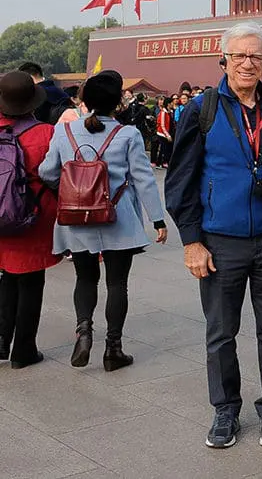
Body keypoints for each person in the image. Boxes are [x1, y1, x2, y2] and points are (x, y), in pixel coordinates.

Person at [165, 22, 262, 449]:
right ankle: (225, 410)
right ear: (223, 59)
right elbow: (180, 180)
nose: (247, 63)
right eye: (239, 55)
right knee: (220, 331)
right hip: (219, 239)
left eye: (256, 56)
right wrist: (191, 240)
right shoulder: (201, 109)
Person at [39, 70, 168, 373]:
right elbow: (143, 179)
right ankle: (113, 349)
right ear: (118, 104)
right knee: (117, 283)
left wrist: (71, 192)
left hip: (75, 219)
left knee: (85, 278)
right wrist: (158, 219)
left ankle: (84, 332)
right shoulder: (127, 134)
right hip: (117, 217)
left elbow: (47, 172)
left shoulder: (64, 132)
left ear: (84, 101)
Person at [0, 71, 61, 369]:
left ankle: (1, 341)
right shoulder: (46, 133)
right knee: (31, 282)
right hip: (34, 216)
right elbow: (55, 174)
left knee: (7, 277)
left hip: (1, 215)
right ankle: (24, 350)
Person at [153, 97, 173, 168]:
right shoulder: (163, 113)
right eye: (171, 103)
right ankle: (162, 162)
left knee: (164, 149)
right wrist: (168, 135)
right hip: (162, 134)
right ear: (168, 104)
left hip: (166, 133)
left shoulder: (170, 112)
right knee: (164, 149)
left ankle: (161, 162)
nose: (172, 104)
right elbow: (162, 125)